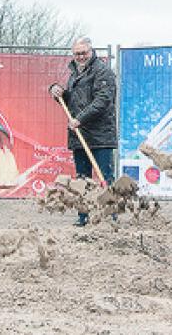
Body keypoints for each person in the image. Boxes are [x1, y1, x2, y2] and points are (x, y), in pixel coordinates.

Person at [49, 37, 117, 226]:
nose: (80, 57)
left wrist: (80, 119)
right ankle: (83, 216)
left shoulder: (103, 72)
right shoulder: (74, 73)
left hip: (101, 135)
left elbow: (102, 101)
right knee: (82, 179)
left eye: (83, 53)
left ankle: (110, 216)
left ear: (91, 51)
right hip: (79, 136)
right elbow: (74, 100)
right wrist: (59, 92)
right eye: (77, 53)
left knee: (105, 177)